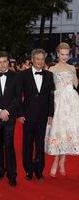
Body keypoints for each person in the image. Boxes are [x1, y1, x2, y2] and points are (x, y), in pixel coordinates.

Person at [18, 49, 55, 181]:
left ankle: (39, 170)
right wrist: (20, 114)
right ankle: (28, 170)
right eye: (37, 59)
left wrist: (51, 114)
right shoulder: (23, 75)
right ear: (32, 60)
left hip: (43, 116)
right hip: (27, 116)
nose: (40, 61)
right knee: (27, 144)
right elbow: (18, 96)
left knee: (40, 145)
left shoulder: (50, 75)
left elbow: (52, 97)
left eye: (42, 59)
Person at [45, 42, 79, 177]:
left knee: (68, 131)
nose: (64, 57)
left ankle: (62, 161)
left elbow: (76, 82)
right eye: (62, 54)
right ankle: (55, 162)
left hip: (72, 102)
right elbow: (48, 88)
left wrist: (72, 87)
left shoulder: (72, 68)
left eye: (67, 54)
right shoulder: (52, 69)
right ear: (58, 54)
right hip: (58, 102)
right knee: (59, 131)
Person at [0, 51, 19, 186]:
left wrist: (7, 111)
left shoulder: (16, 76)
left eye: (4, 61)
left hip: (9, 117)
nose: (2, 64)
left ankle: (12, 174)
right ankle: (0, 172)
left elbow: (18, 97)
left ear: (8, 62)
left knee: (9, 146)